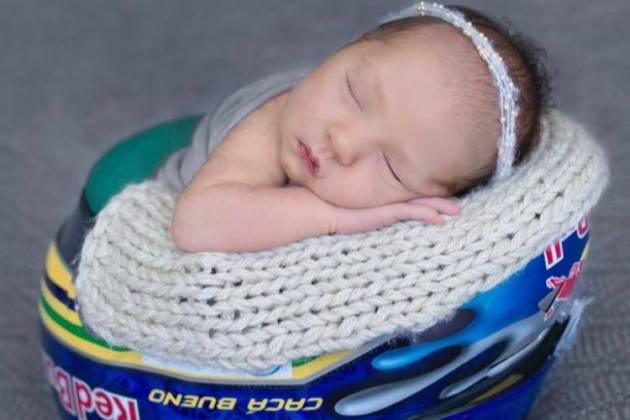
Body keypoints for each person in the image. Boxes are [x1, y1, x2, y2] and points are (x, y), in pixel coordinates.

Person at [167, 2, 552, 253]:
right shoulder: (276, 123)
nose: (344, 142)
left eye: (392, 167)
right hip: (193, 190)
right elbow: (195, 225)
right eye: (355, 94)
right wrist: (335, 219)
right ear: (348, 47)